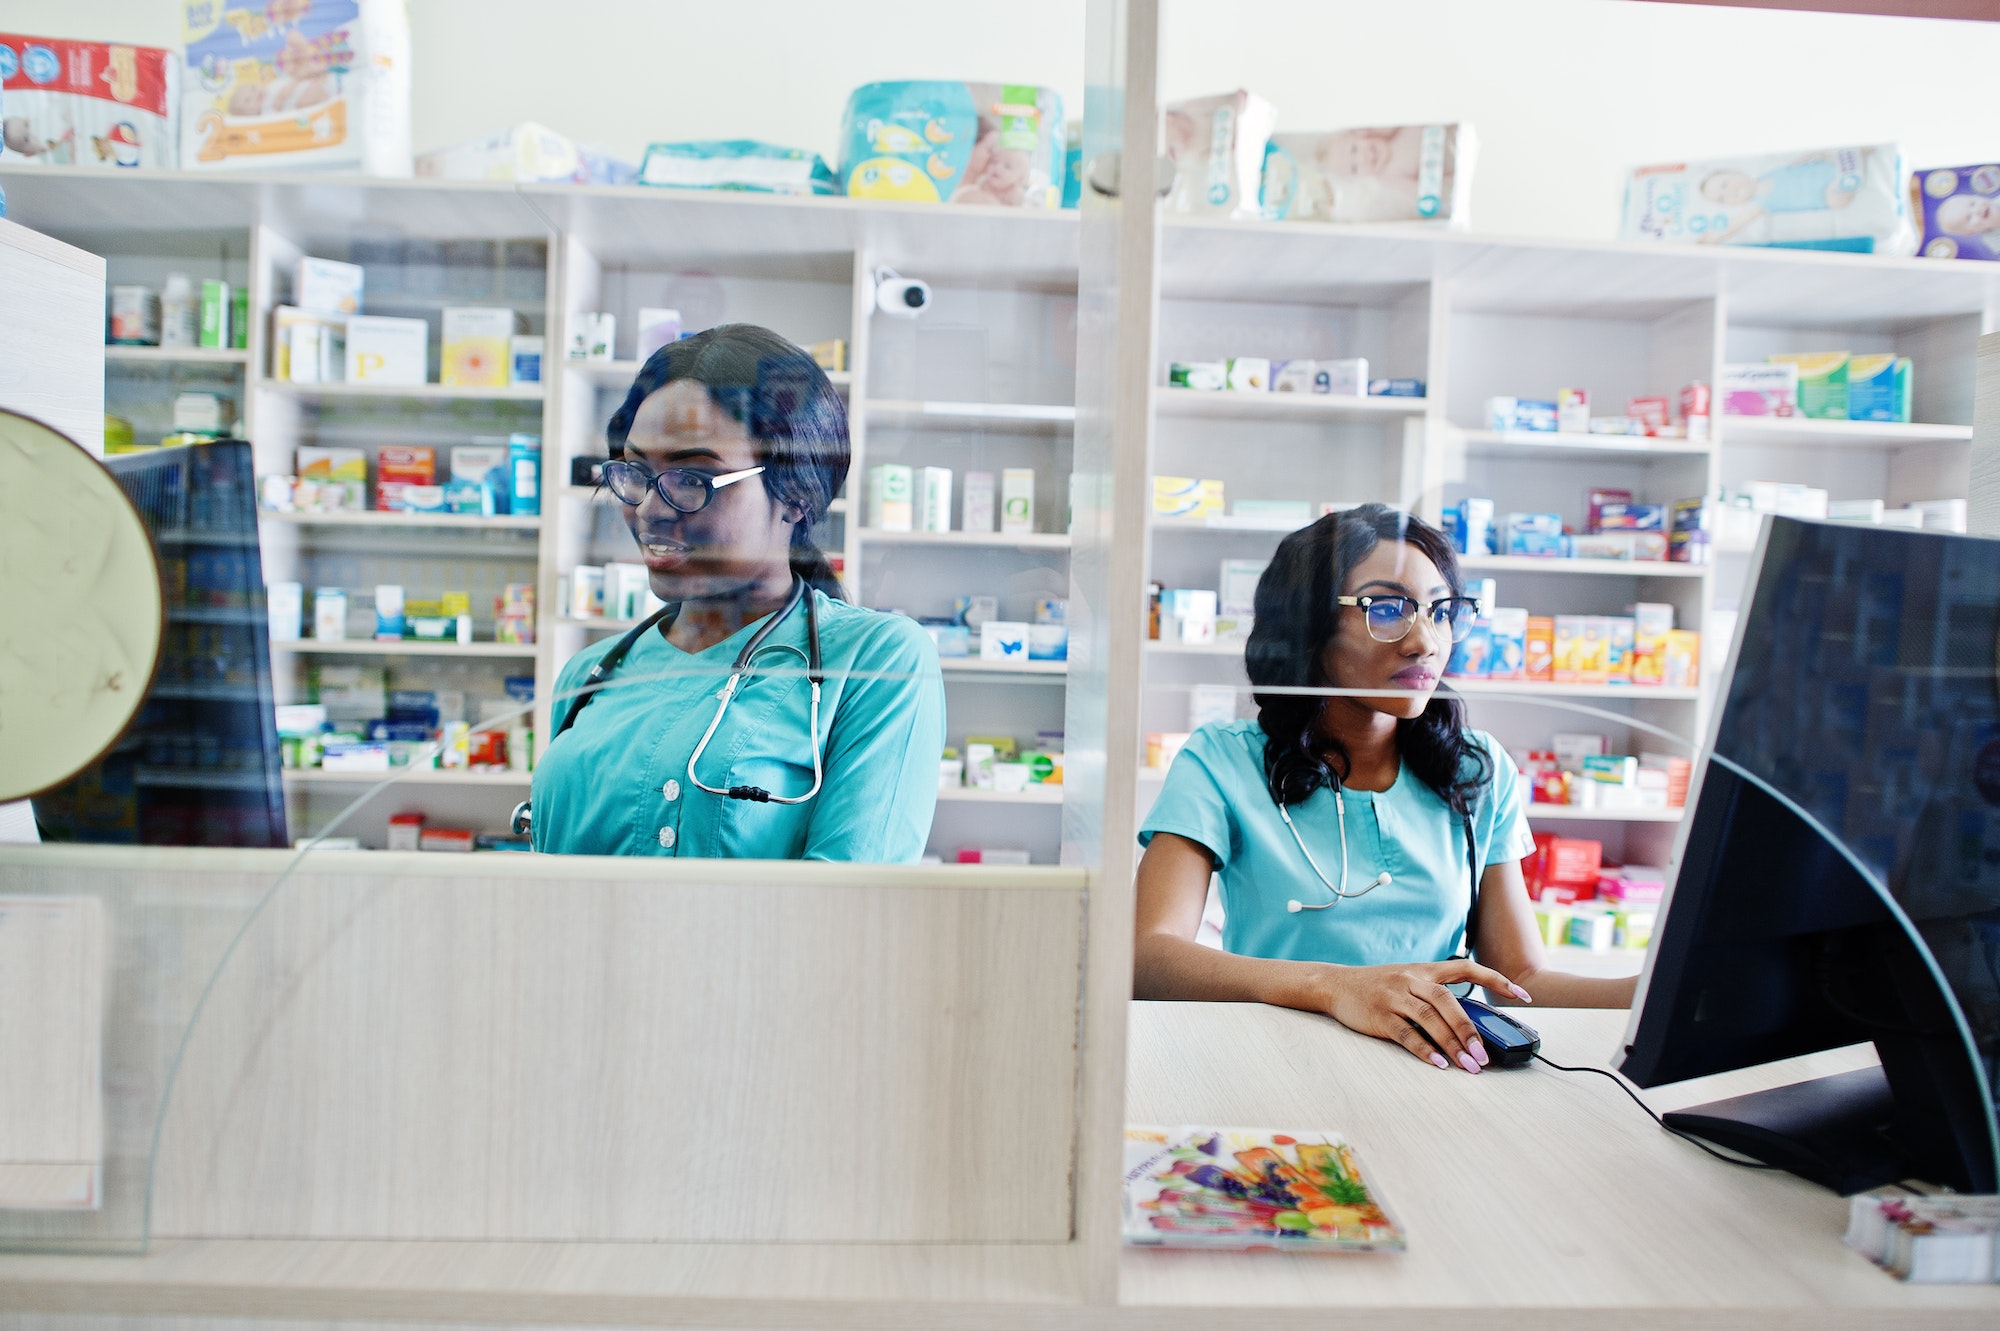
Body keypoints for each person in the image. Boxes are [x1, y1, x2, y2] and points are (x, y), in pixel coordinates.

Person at [1133, 504, 1637, 1074]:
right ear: (1307, 623)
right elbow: (1148, 958)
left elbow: (1519, 979)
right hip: (1272, 1070)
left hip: (1441, 1080)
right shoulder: (1222, 761)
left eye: (1441, 611)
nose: (1424, 641)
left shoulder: (1478, 770)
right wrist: (1335, 987)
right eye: (1388, 608)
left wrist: (1657, 990)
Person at [529, 324, 944, 861]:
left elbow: (849, 915)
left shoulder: (877, 662)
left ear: (795, 492)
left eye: (693, 478)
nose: (651, 509)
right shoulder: (589, 673)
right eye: (635, 472)